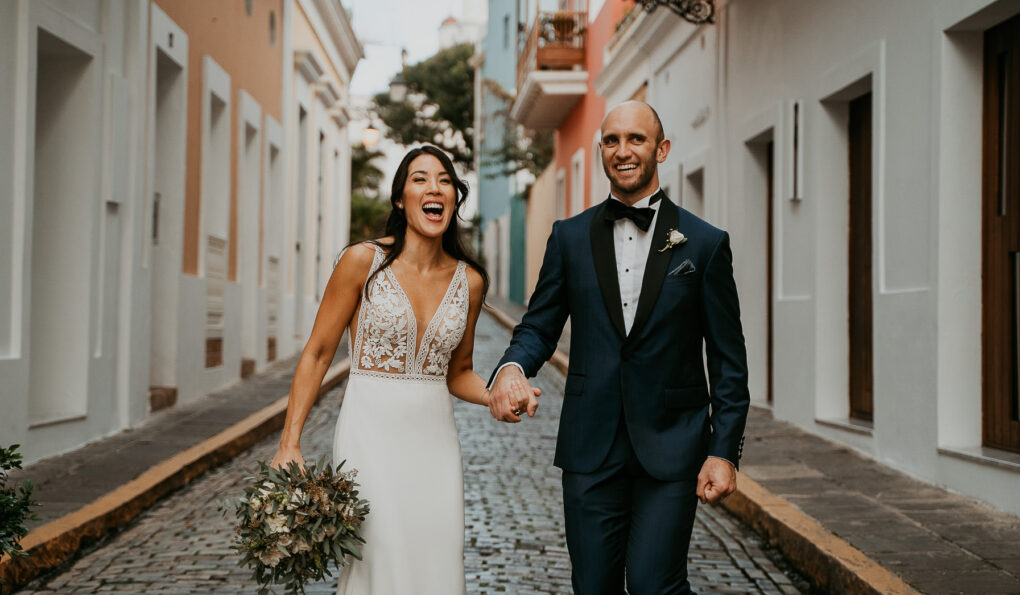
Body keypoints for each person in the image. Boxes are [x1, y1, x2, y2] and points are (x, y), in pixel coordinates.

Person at [488, 101, 750, 595]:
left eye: (636, 139)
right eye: (612, 140)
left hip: (673, 445)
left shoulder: (704, 243)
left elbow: (728, 360)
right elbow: (539, 326)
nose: (623, 151)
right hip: (590, 448)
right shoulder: (569, 237)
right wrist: (510, 368)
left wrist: (725, 452)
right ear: (601, 150)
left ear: (661, 149)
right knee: (593, 588)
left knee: (656, 586)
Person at [270, 146, 534, 594]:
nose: (434, 188)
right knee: (379, 559)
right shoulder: (362, 262)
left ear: (454, 198)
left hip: (435, 444)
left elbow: (459, 373)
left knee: (436, 560)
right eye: (420, 179)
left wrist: (497, 394)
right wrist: (289, 442)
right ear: (400, 198)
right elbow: (317, 354)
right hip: (369, 435)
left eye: (445, 180)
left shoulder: (469, 281)